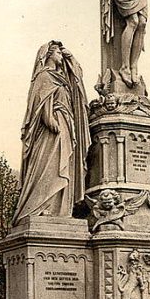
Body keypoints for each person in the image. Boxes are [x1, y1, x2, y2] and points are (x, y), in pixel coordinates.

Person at [13, 41, 90, 224]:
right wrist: (49, 118)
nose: (61, 57)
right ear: (48, 54)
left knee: (62, 165)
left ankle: (60, 209)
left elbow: (77, 79)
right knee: (50, 164)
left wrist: (70, 56)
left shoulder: (60, 76)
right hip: (53, 126)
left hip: (65, 123)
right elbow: (41, 101)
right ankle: (43, 206)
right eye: (58, 53)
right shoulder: (44, 76)